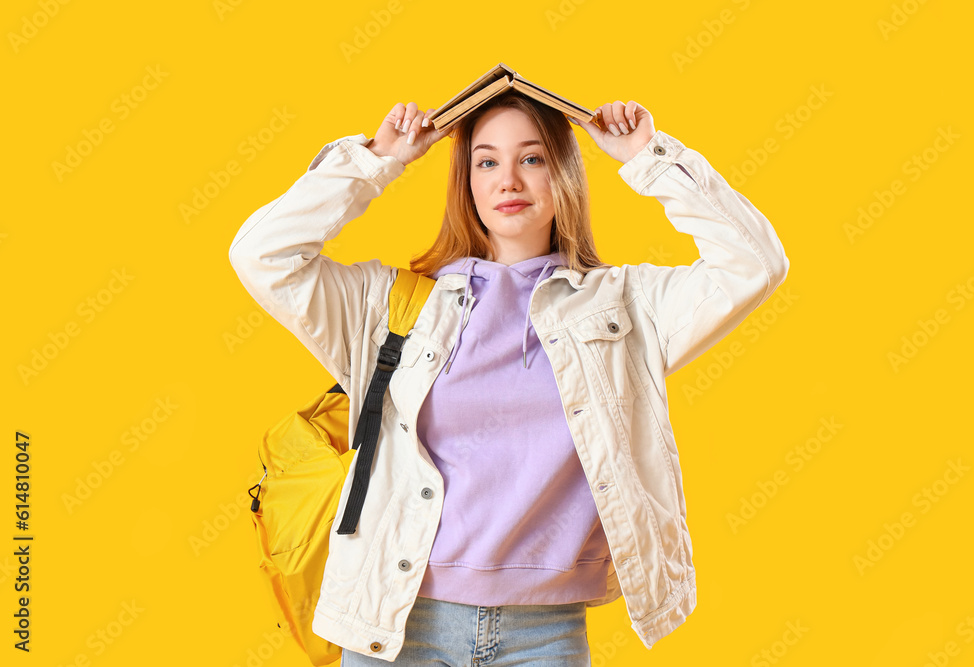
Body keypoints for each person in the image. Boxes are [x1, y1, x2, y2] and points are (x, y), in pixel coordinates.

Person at [229, 89, 790, 666]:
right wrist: (377, 159)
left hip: (545, 634)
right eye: (487, 161)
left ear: (563, 173)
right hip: (397, 622)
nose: (509, 181)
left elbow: (755, 264)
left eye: (533, 158)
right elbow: (262, 254)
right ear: (466, 183)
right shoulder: (390, 308)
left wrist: (649, 156)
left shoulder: (621, 308)